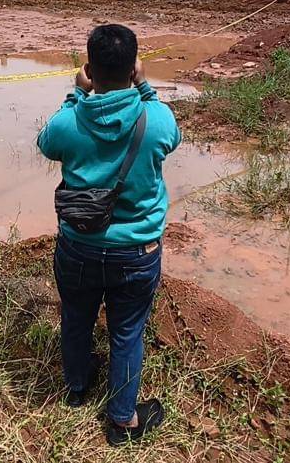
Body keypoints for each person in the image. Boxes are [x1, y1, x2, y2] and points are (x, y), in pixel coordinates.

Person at [37, 23, 182, 446]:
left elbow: (46, 142)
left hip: (78, 248)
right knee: (126, 332)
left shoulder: (69, 121)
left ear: (89, 68)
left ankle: (77, 387)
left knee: (76, 317)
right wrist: (146, 87)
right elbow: (171, 138)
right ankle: (122, 421)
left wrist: (76, 94)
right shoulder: (156, 118)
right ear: (134, 67)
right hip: (137, 251)